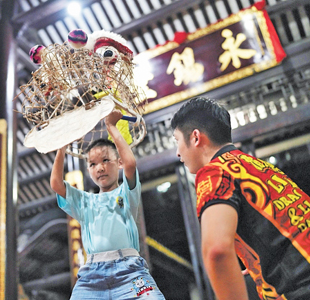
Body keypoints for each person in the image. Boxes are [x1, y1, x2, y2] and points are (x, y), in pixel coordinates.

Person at [171, 97, 310, 300]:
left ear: (195, 137)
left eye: (177, 141)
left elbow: (216, 251)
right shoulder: (258, 166)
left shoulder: (214, 171)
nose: (177, 152)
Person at [50, 110, 166, 299]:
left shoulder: (126, 192)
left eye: (105, 160)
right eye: (93, 164)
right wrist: (61, 148)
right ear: (88, 169)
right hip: (91, 276)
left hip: (130, 271)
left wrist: (111, 127)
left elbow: (131, 164)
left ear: (118, 163)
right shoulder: (85, 201)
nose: (100, 168)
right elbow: (56, 184)